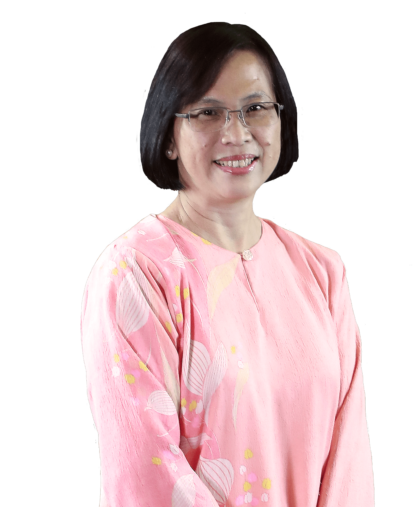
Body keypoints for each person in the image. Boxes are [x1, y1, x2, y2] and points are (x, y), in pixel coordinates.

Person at [80, 22, 375, 506]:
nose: (237, 134)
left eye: (255, 108)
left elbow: (350, 465)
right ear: (169, 136)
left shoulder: (322, 271)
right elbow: (146, 474)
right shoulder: (136, 274)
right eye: (207, 113)